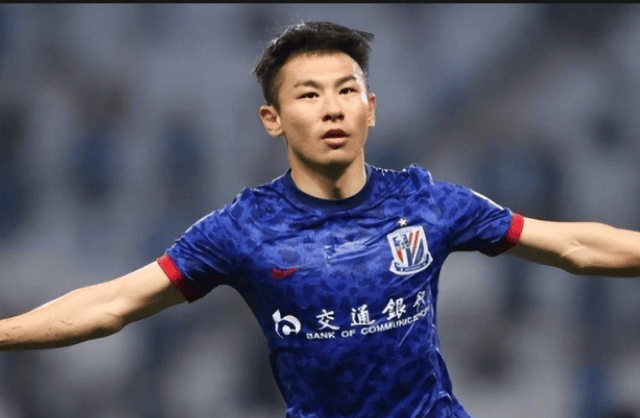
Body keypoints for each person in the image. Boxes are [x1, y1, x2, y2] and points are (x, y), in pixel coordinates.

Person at [2, 21, 640, 418]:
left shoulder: (427, 203)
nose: (332, 108)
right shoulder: (243, 228)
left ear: (371, 109)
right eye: (308, 94)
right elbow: (112, 303)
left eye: (347, 90)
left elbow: (573, 244)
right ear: (272, 119)